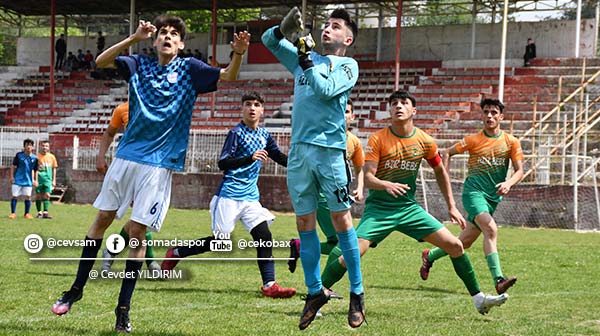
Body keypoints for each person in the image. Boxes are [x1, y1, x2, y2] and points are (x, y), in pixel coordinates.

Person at [50, 15, 249, 333]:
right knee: (102, 220)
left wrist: (238, 52)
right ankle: (75, 290)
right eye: (164, 33)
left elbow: (228, 76)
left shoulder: (190, 70)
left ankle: (122, 310)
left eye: (174, 34)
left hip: (159, 165)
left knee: (138, 234)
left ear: (182, 44)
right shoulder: (139, 64)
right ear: (155, 41)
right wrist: (133, 38)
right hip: (126, 158)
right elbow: (102, 61)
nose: (168, 37)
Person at [262, 7, 365, 330]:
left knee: (340, 219)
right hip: (300, 153)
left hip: (330, 153)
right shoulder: (304, 57)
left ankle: (357, 293)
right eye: (325, 25)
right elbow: (268, 40)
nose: (327, 30)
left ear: (347, 38)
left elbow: (324, 90)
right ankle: (313, 292)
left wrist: (305, 57)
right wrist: (285, 28)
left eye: (335, 27)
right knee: (304, 222)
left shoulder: (347, 66)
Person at [161, 91, 296, 299]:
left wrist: (298, 165)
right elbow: (223, 163)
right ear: (242, 108)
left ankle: (270, 285)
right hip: (229, 196)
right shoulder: (236, 133)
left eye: (257, 104)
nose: (252, 108)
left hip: (250, 198)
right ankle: (177, 252)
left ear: (262, 110)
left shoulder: (264, 135)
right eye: (248, 104)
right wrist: (249, 158)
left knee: (264, 237)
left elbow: (277, 155)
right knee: (221, 242)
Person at [421, 98, 524, 296]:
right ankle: (499, 280)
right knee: (491, 229)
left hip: (492, 198)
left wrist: (508, 183)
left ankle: (430, 256)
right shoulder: (472, 140)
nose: (490, 116)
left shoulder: (511, 142)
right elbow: (447, 153)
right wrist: (447, 178)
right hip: (473, 194)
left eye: (494, 112)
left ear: (501, 117)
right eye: (486, 112)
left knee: (464, 242)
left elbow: (520, 170)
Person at [288, 99, 365, 273]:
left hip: (339, 196)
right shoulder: (322, 139)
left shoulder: (354, 142)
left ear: (352, 116)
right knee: (346, 243)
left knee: (335, 243)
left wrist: (359, 188)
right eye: (340, 110)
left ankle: (299, 246)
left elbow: (360, 169)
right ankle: (323, 285)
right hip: (323, 198)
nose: (343, 115)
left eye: (347, 111)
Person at [96, 102, 161, 274]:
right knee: (135, 218)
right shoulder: (123, 109)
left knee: (141, 218)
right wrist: (101, 157)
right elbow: (109, 132)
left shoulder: (160, 106)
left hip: (152, 169)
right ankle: (150, 261)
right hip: (128, 168)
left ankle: (111, 251)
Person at [9, 139, 38, 219]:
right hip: (17, 179)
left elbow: (35, 170)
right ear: (24, 146)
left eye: (30, 145)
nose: (29, 146)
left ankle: (27, 213)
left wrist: (35, 180)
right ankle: (13, 213)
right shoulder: (19, 155)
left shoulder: (35, 158)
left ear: (33, 147)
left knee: (28, 196)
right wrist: (11, 176)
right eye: (27, 145)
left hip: (28, 180)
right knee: (14, 196)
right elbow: (13, 166)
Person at [35, 140, 58, 219]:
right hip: (39, 179)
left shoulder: (52, 157)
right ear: (41, 146)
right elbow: (34, 169)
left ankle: (45, 212)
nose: (45, 147)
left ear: (49, 147)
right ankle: (39, 213)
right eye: (43, 145)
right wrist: (35, 179)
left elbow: (54, 168)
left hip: (48, 179)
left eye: (46, 146)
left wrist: (54, 180)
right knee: (38, 195)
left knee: (47, 195)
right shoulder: (36, 157)